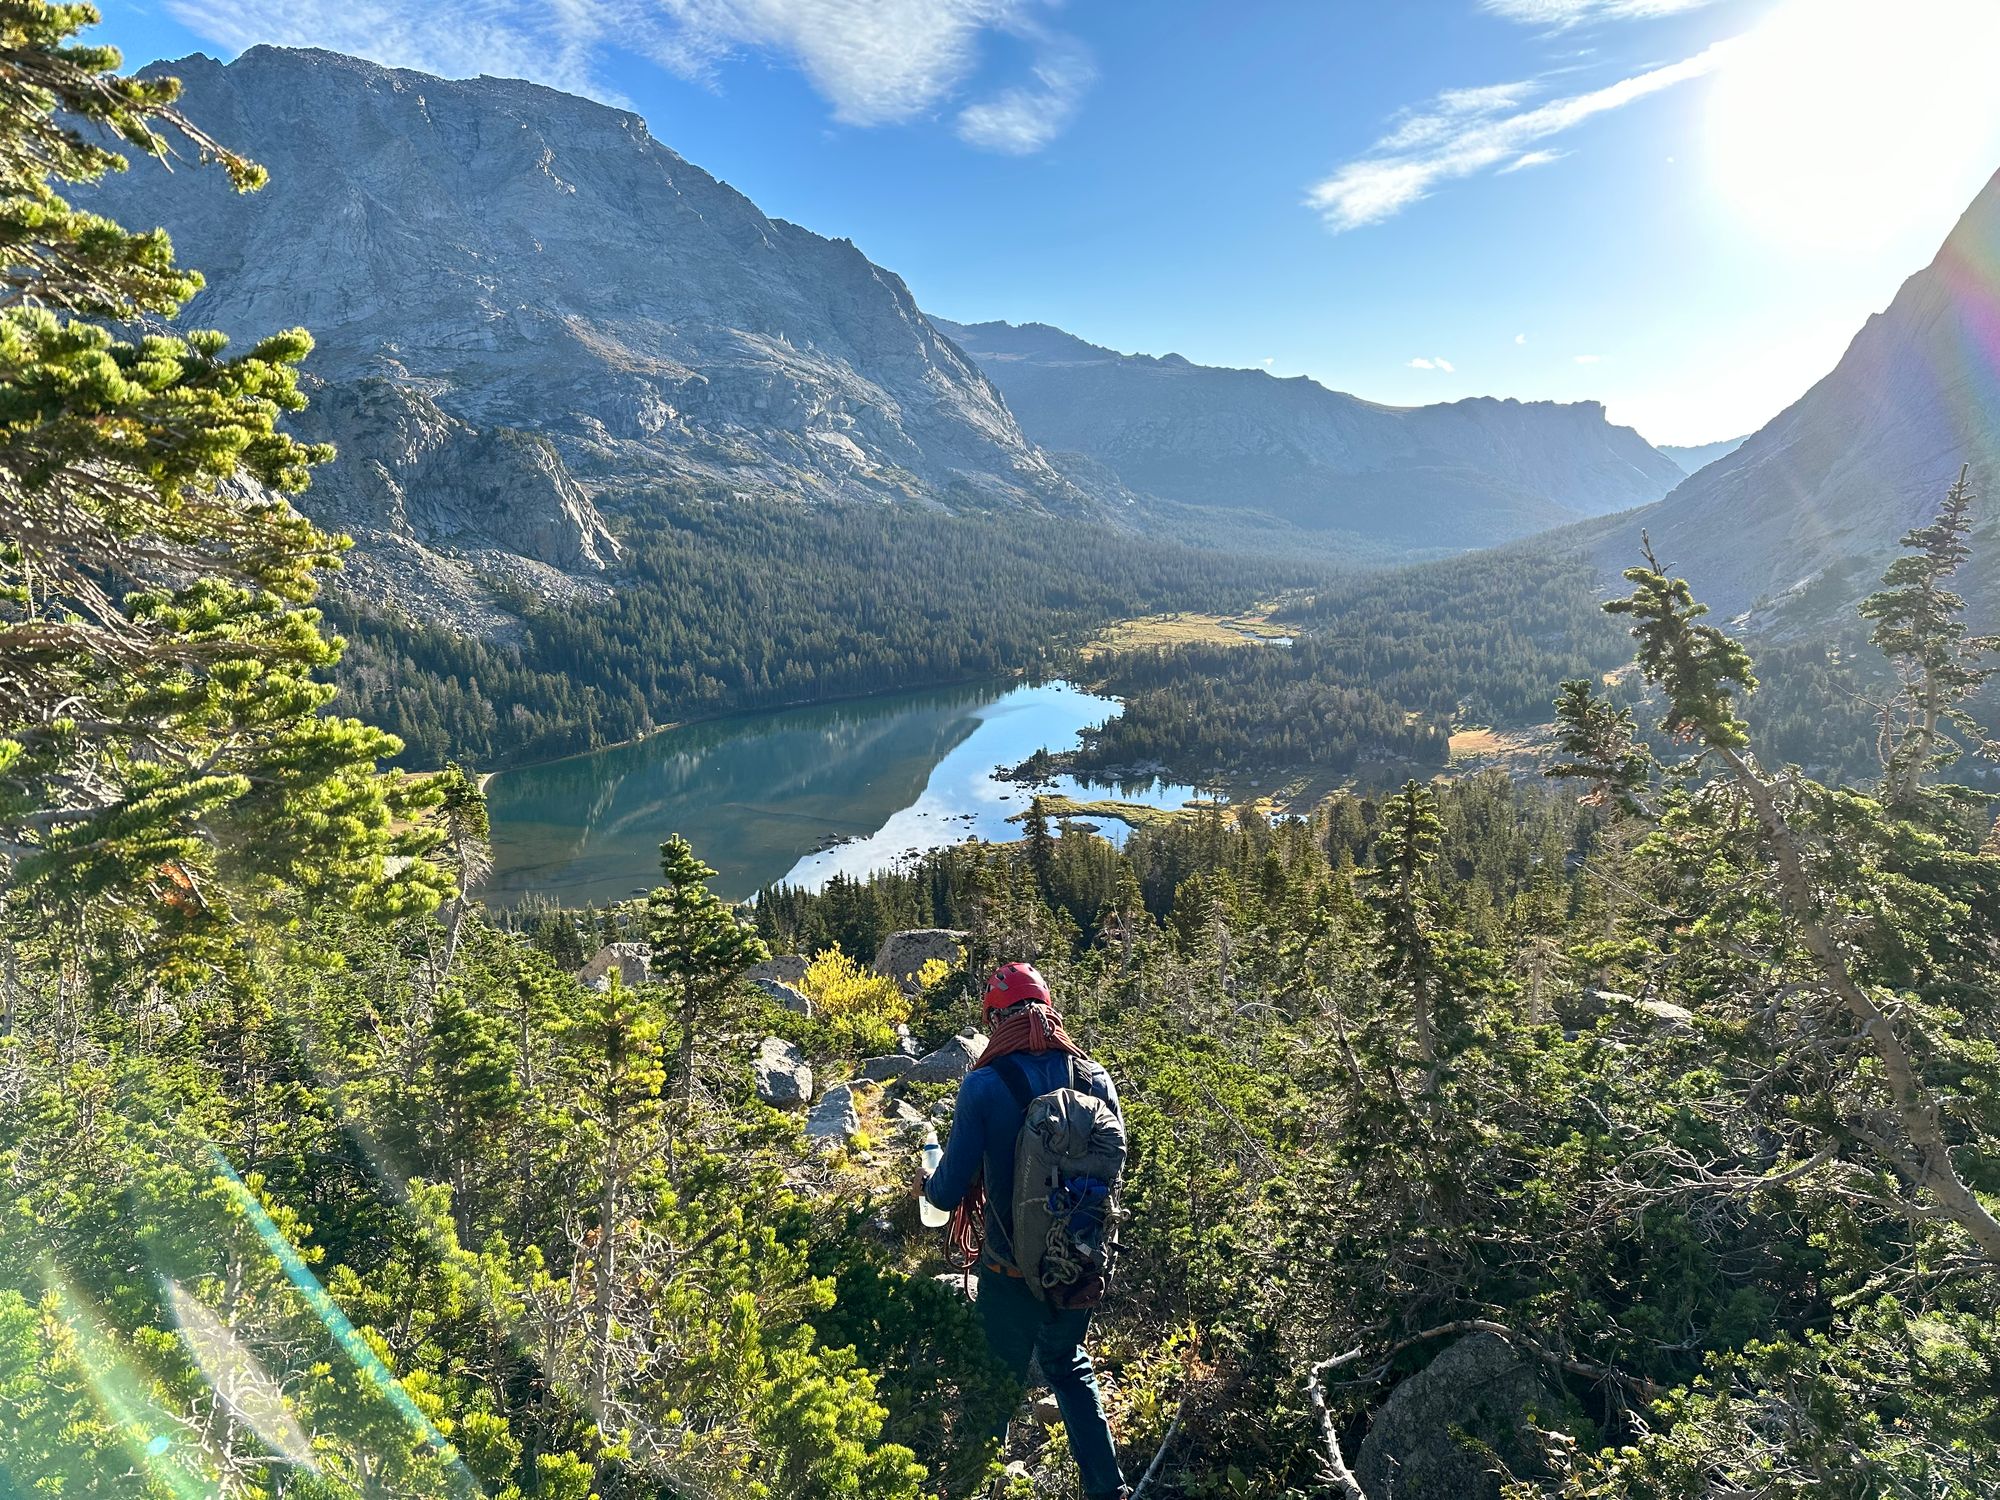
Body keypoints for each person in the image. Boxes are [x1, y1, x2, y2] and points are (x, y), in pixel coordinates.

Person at [920, 962, 1130, 1500]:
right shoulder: (1095, 1078)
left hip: (1008, 1268)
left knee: (996, 1380)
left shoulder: (985, 1084)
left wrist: (929, 1178)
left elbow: (945, 1194)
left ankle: (971, 1487)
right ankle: (1109, 1491)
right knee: (1067, 1364)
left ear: (995, 1017)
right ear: (1048, 1007)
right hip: (1078, 1261)